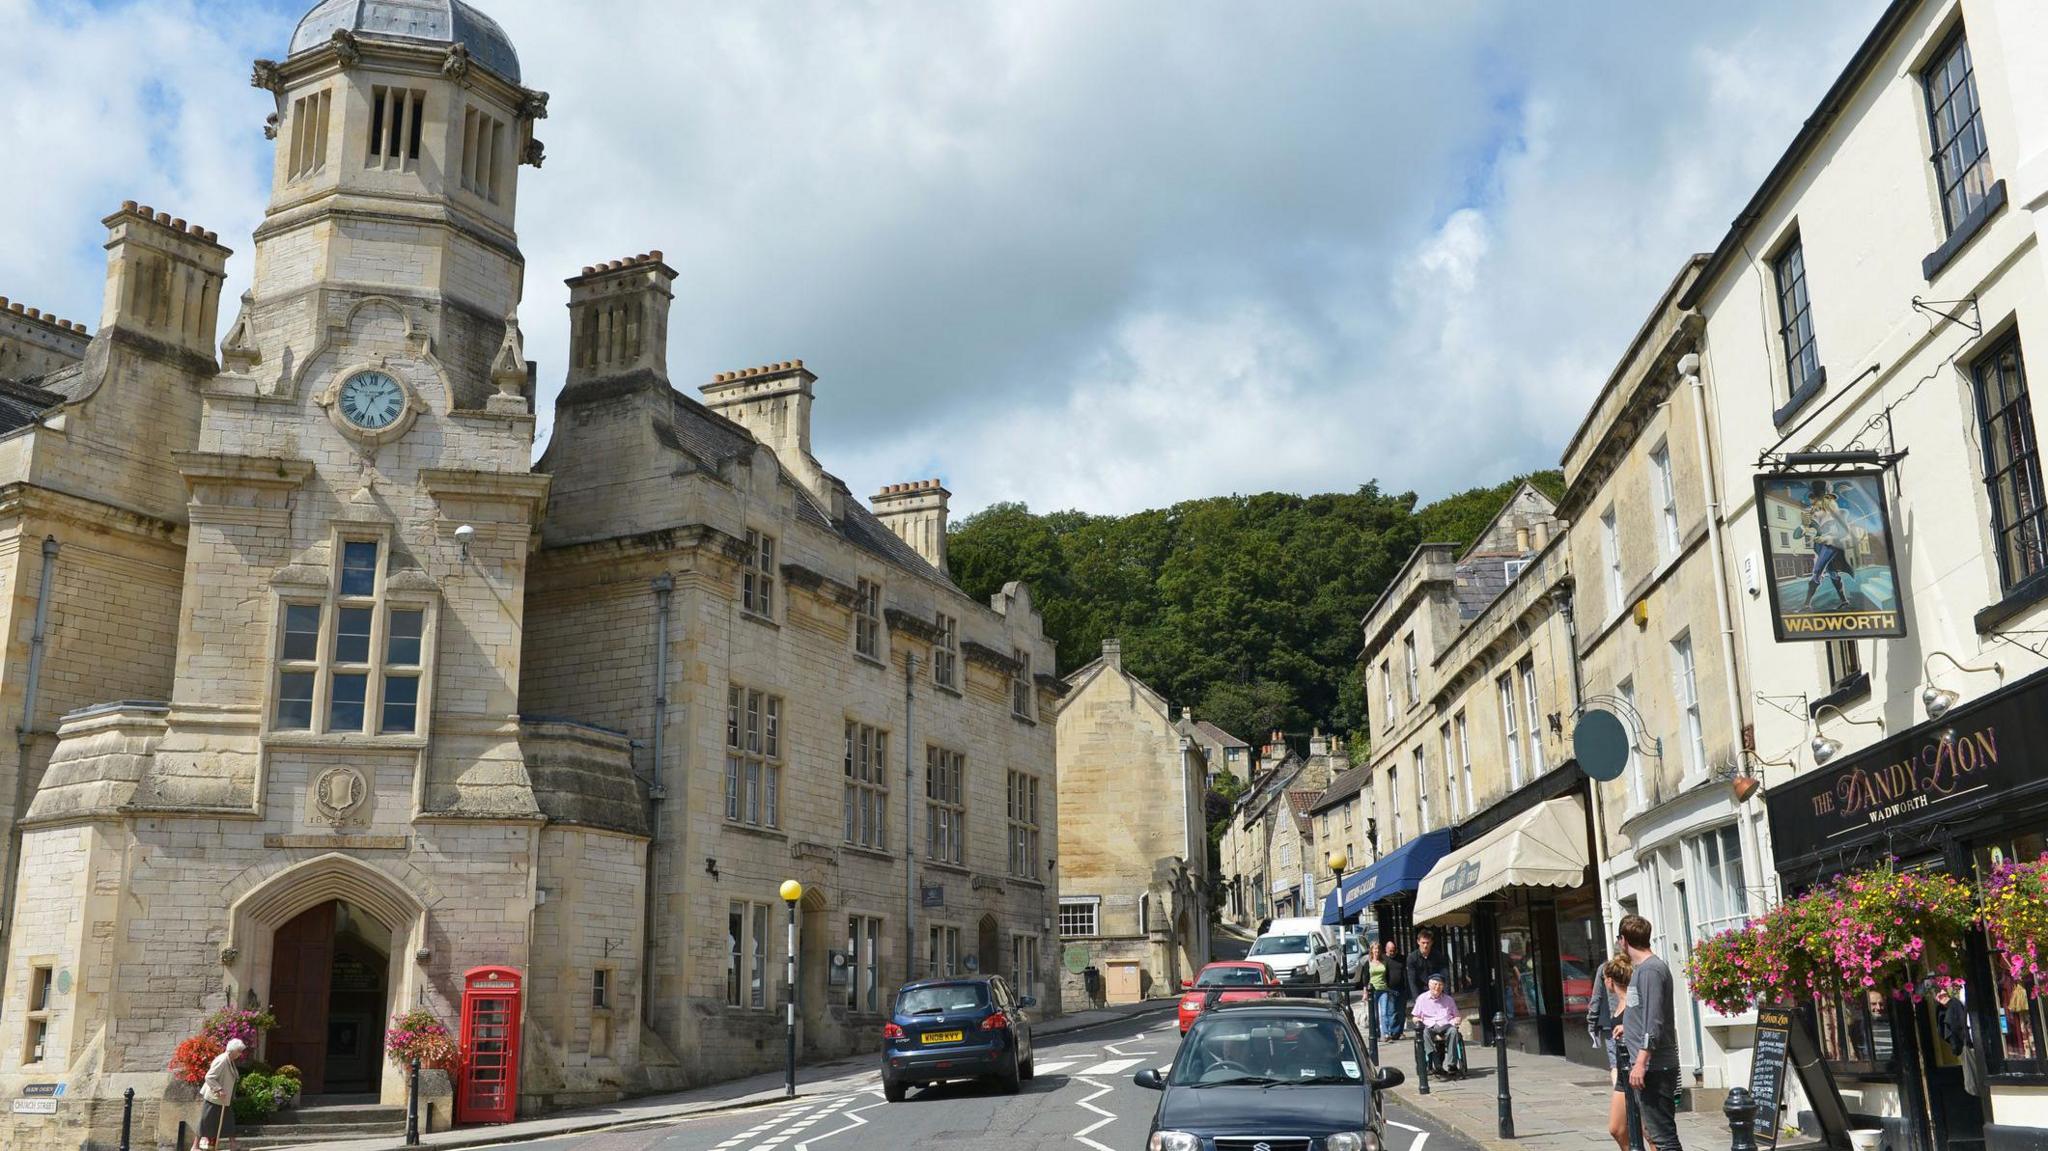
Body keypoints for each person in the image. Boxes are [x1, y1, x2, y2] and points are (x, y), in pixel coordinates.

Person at [1621, 915, 1682, 1151]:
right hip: (1650, 1066)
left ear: (1623, 940)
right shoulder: (1644, 970)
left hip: (1655, 1067)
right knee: (1653, 1134)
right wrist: (1628, 1026)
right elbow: (1645, 1013)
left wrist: (1641, 1062)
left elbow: (1654, 1020)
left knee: (1664, 1138)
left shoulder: (1650, 971)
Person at [1601, 955, 1645, 1151]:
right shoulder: (1618, 1004)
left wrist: (1628, 1028)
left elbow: (1647, 1026)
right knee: (1617, 1128)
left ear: (1610, 981)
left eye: (1604, 979)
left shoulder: (1633, 1002)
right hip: (1623, 1071)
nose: (1604, 983)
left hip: (1637, 1068)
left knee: (1649, 1132)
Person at [197, 1037, 248, 1151]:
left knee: (229, 1122)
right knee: (206, 1121)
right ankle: (195, 1146)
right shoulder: (222, 1060)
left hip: (225, 1099)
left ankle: (233, 1145)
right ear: (232, 1051)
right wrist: (219, 1090)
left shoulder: (230, 1060)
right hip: (214, 1097)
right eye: (239, 1051)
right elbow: (209, 1077)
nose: (240, 1054)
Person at [1410, 972, 1461, 1073]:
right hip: (1429, 1026)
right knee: (1424, 1033)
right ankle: (1434, 1059)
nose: (1437, 987)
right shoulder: (1422, 998)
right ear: (1429, 985)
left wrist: (1457, 1020)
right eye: (1435, 984)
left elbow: (1457, 1016)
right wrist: (1417, 1020)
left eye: (1440, 985)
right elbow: (1415, 1016)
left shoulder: (1449, 1000)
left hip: (1446, 1025)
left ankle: (1452, 1064)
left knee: (1454, 1031)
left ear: (1443, 987)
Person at [1405, 928, 1449, 1015]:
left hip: (1436, 990)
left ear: (1431, 942)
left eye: (1427, 943)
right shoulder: (1412, 958)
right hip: (1421, 990)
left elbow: (1445, 976)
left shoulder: (1438, 956)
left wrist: (1446, 994)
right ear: (1418, 942)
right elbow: (1412, 980)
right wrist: (1416, 999)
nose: (1425, 945)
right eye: (1423, 943)